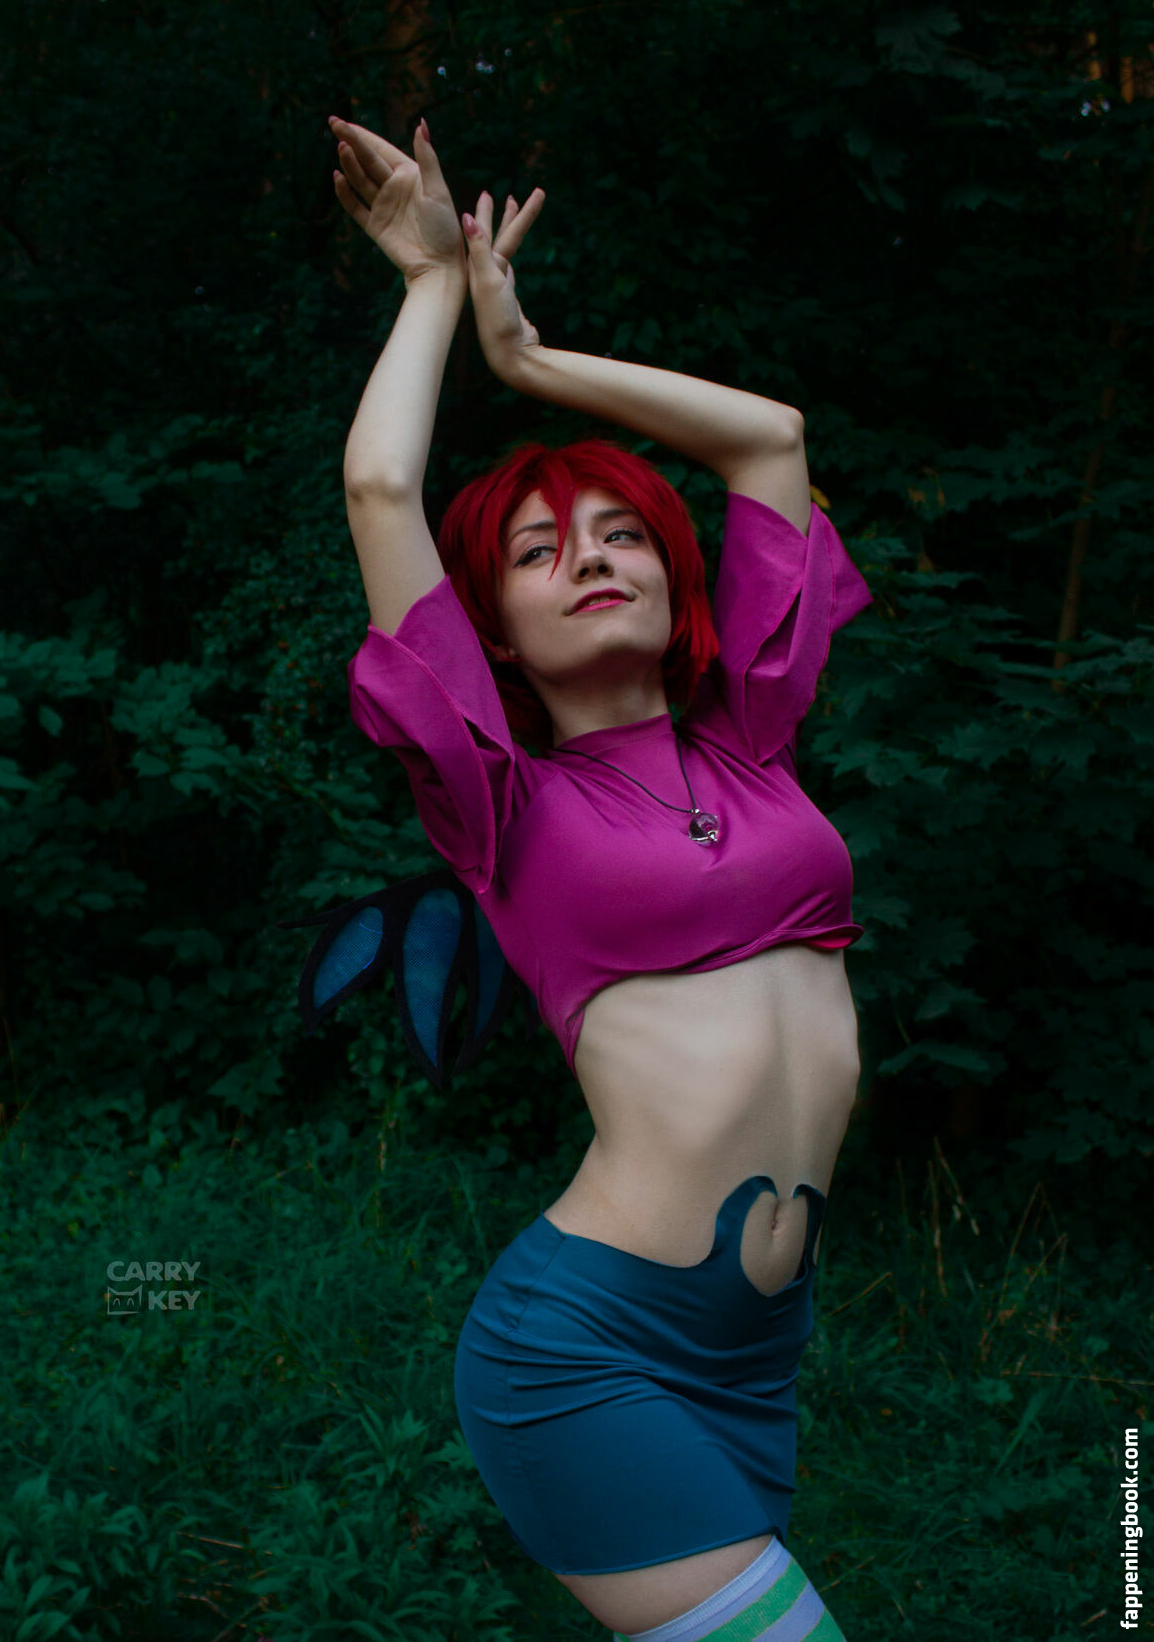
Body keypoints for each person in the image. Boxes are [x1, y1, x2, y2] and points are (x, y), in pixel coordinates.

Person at [328, 111, 869, 1642]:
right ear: (491, 632)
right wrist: (435, 287)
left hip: (755, 1356)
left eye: (624, 533)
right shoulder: (500, 803)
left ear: (671, 577)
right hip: (588, 1349)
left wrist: (532, 357)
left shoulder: (754, 739)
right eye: (540, 551)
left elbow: (768, 439)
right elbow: (380, 491)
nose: (593, 558)